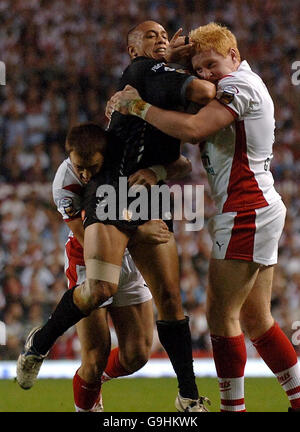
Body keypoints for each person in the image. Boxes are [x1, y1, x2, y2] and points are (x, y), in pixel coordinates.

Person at [17, 21, 215, 412]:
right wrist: (139, 224)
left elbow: (180, 164)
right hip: (107, 215)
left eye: (164, 35)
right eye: (150, 36)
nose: (161, 38)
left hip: (146, 202)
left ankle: (188, 397)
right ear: (133, 50)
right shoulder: (145, 73)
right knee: (98, 313)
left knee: (155, 326)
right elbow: (204, 92)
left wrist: (157, 172)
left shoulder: (154, 81)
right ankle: (40, 344)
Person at [108, 22, 300, 412]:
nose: (207, 75)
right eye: (201, 70)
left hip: (246, 209)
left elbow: (194, 130)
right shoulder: (239, 83)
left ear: (234, 55)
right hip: (255, 206)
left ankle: (232, 410)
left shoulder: (238, 87)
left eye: (212, 64)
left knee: (220, 318)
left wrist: (138, 107)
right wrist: (177, 63)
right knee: (257, 320)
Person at [16, 122, 192, 412]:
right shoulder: (65, 182)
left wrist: (156, 173)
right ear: (69, 156)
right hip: (89, 257)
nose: (85, 174)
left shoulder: (125, 160)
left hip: (129, 258)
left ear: (104, 154)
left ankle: (90, 381)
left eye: (92, 167)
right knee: (95, 358)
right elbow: (85, 234)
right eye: (79, 167)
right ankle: (83, 391)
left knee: (136, 355)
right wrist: (138, 233)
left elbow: (181, 164)